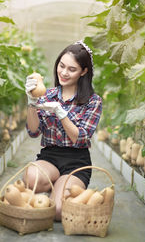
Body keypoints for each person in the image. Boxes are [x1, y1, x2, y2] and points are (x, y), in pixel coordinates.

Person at [23, 40, 102, 221]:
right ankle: (56, 186)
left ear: (83, 72)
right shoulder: (46, 94)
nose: (64, 73)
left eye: (72, 69)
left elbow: (81, 138)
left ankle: (61, 188)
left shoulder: (92, 101)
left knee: (58, 211)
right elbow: (33, 132)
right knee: (32, 178)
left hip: (76, 161)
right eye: (61, 66)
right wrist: (32, 104)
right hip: (50, 156)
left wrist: (61, 113)